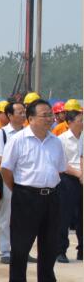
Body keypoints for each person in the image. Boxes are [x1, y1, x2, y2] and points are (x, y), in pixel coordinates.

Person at [0, 99, 68, 282]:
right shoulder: (18, 140)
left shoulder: (56, 142)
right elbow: (6, 170)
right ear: (30, 119)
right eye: (45, 115)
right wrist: (20, 190)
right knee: (21, 245)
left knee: (49, 244)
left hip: (52, 196)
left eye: (50, 115)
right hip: (26, 196)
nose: (50, 118)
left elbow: (60, 169)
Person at [0, 100, 28, 263]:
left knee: (24, 217)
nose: (23, 115)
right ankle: (5, 250)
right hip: (9, 179)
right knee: (7, 215)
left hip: (26, 180)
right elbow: (0, 159)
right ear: (9, 115)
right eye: (20, 112)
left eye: (24, 112)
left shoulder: (28, 132)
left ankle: (22, 249)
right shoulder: (2, 133)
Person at [57, 107, 82, 263]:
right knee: (64, 216)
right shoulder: (62, 139)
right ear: (70, 122)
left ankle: (82, 249)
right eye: (80, 121)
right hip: (68, 180)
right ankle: (60, 250)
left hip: (82, 178)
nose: (82, 123)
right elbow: (62, 164)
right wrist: (79, 174)